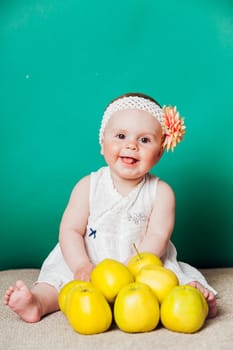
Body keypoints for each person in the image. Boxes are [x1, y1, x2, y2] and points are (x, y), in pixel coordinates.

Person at [4, 92, 217, 322]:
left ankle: (193, 299)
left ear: (160, 152)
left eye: (144, 140)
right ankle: (37, 303)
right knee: (59, 281)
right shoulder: (88, 186)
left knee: (167, 279)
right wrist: (81, 265)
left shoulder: (161, 192)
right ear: (102, 143)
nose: (131, 145)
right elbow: (70, 230)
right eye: (121, 135)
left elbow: (157, 236)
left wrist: (129, 270)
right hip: (88, 260)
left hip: (140, 262)